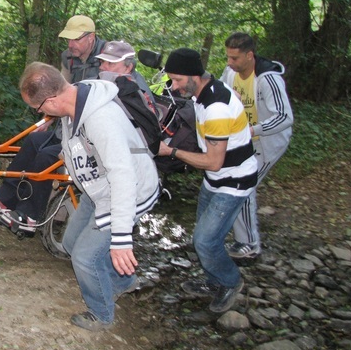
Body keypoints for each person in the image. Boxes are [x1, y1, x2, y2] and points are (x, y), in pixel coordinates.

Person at [19, 62, 160, 331]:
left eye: (38, 109)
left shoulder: (100, 119)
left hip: (127, 192)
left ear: (50, 101)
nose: (39, 113)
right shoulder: (73, 104)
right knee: (71, 243)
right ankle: (123, 282)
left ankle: (102, 314)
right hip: (97, 190)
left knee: (84, 257)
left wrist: (120, 239)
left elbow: (123, 177)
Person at [0, 15, 107, 234]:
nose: (70, 44)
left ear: (91, 38)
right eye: (68, 40)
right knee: (35, 140)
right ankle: (5, 199)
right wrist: (49, 117)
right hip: (67, 125)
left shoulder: (106, 60)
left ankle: (30, 216)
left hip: (88, 134)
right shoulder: (69, 58)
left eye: (75, 40)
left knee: (47, 156)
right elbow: (57, 90)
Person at [160, 48, 258, 314]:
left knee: (205, 241)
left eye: (178, 80)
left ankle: (231, 281)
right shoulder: (206, 91)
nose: (174, 86)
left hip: (234, 180)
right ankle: (214, 281)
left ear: (194, 76)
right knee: (203, 237)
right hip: (216, 178)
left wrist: (171, 151)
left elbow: (213, 160)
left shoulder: (214, 106)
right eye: (171, 79)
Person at [220, 33, 293, 258]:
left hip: (268, 141)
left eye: (234, 58)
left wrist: (252, 130)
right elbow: (222, 98)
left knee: (243, 185)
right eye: (228, 57)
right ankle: (237, 236)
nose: (229, 63)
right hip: (243, 139)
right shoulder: (230, 73)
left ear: (249, 55)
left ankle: (249, 244)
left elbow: (284, 117)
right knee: (232, 181)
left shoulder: (268, 79)